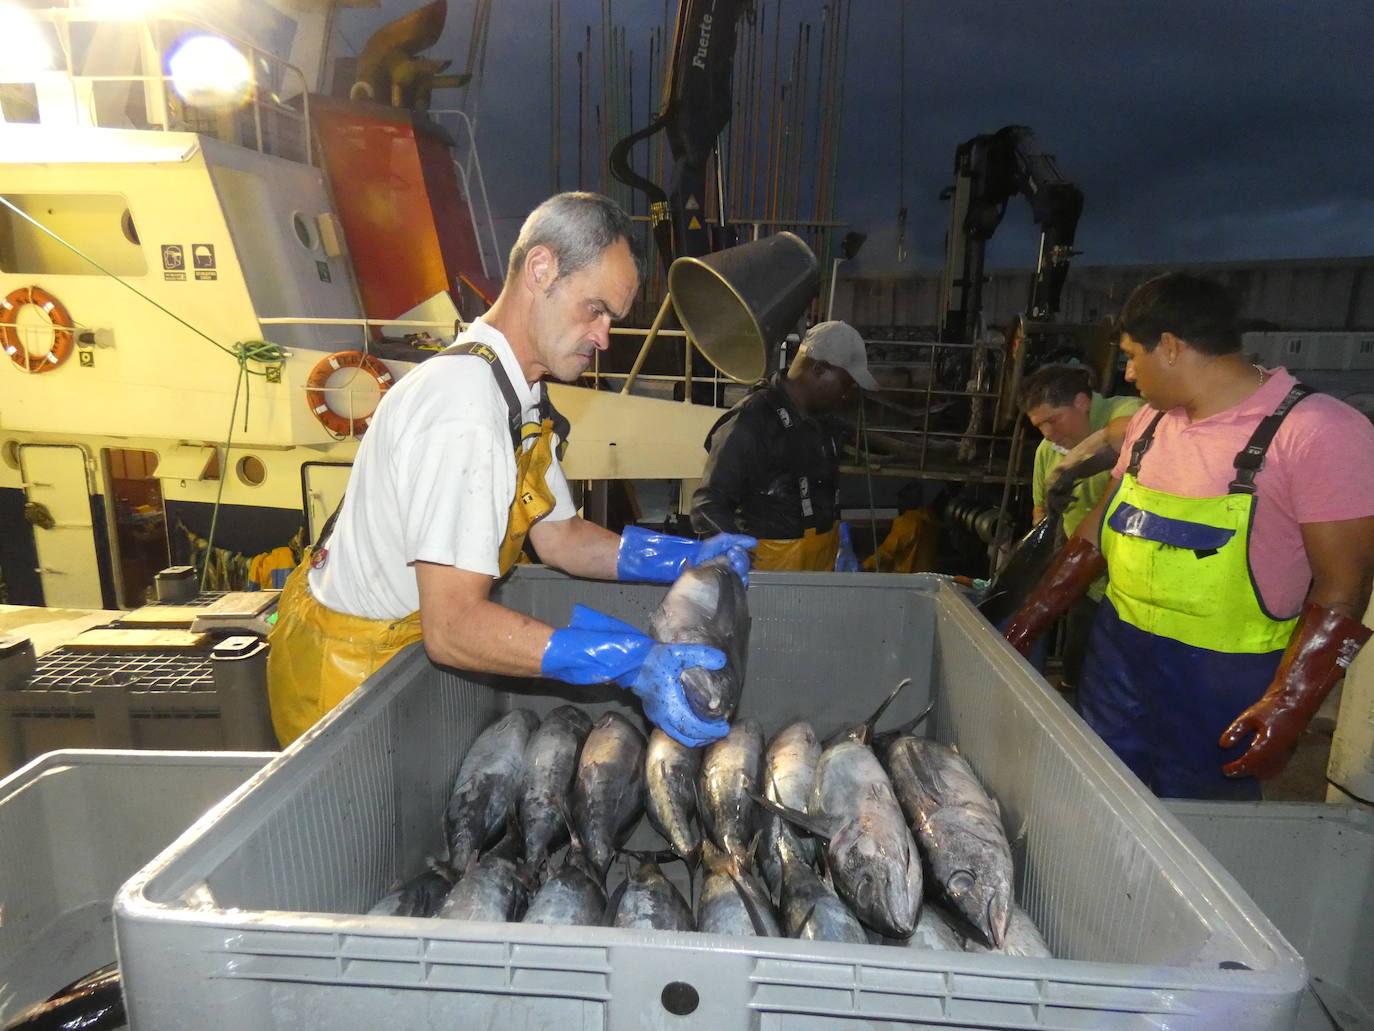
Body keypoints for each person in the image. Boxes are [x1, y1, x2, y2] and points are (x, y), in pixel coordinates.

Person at [267, 192, 755, 749]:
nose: (603, 336)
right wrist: (627, 662)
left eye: (611, 319)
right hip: (345, 679)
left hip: (395, 648)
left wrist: (688, 558)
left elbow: (560, 538)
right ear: (541, 269)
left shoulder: (518, 394)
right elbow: (452, 630)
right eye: (595, 309)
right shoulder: (464, 406)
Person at [1004, 272, 1374, 800]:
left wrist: (1292, 702)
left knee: (1198, 827)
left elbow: (1346, 584)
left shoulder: (1316, 431)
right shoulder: (1150, 424)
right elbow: (1098, 531)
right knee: (1102, 798)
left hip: (1225, 679)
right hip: (1119, 656)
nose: (1128, 374)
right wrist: (1031, 617)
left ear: (1171, 347)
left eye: (1132, 355)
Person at [689, 320, 879, 571]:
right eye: (845, 384)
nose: (847, 395)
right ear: (819, 369)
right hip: (769, 572)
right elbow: (707, 505)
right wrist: (733, 555)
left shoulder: (824, 422)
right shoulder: (752, 421)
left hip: (819, 570)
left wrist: (841, 541)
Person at [1016, 364, 1144, 687]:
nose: (1046, 432)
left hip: (1134, 587)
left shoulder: (1127, 412)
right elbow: (1040, 514)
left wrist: (1074, 464)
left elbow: (1142, 429)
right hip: (1085, 581)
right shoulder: (1047, 452)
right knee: (1079, 668)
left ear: (1082, 402)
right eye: (1038, 425)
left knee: (1125, 679)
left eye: (1052, 420)